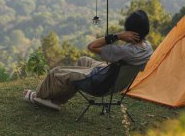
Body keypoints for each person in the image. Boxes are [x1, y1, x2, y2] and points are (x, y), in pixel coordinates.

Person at [23, 10, 153, 110]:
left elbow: (92, 46)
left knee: (57, 72)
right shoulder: (147, 48)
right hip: (115, 81)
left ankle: (38, 96)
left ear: (129, 30)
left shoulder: (125, 52)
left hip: (101, 84)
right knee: (83, 61)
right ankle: (56, 100)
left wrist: (117, 36)